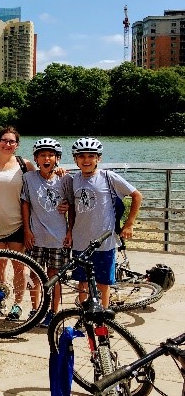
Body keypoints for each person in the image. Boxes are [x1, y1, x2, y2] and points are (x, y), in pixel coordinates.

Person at [68, 137, 142, 308]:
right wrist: (69, 231)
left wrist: (129, 224)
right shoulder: (74, 180)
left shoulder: (109, 177)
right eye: (81, 156)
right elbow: (72, 206)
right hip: (81, 240)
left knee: (103, 283)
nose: (86, 160)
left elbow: (137, 196)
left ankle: (104, 316)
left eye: (91, 156)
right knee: (82, 282)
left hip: (105, 241)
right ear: (75, 159)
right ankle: (84, 315)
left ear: (98, 158)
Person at [0, 126, 36, 321]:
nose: (7, 144)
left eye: (12, 141)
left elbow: (43, 181)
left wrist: (59, 171)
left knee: (19, 267)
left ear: (17, 145)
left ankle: (17, 304)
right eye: (4, 140)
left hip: (17, 224)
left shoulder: (25, 165)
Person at [21, 138, 72, 328]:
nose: (46, 158)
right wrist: (26, 230)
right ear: (35, 158)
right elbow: (25, 204)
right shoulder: (29, 178)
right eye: (42, 155)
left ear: (57, 158)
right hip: (36, 235)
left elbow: (72, 207)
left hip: (58, 237)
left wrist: (69, 231)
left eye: (51, 155)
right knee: (34, 274)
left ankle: (53, 311)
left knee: (54, 276)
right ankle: (35, 309)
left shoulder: (65, 179)